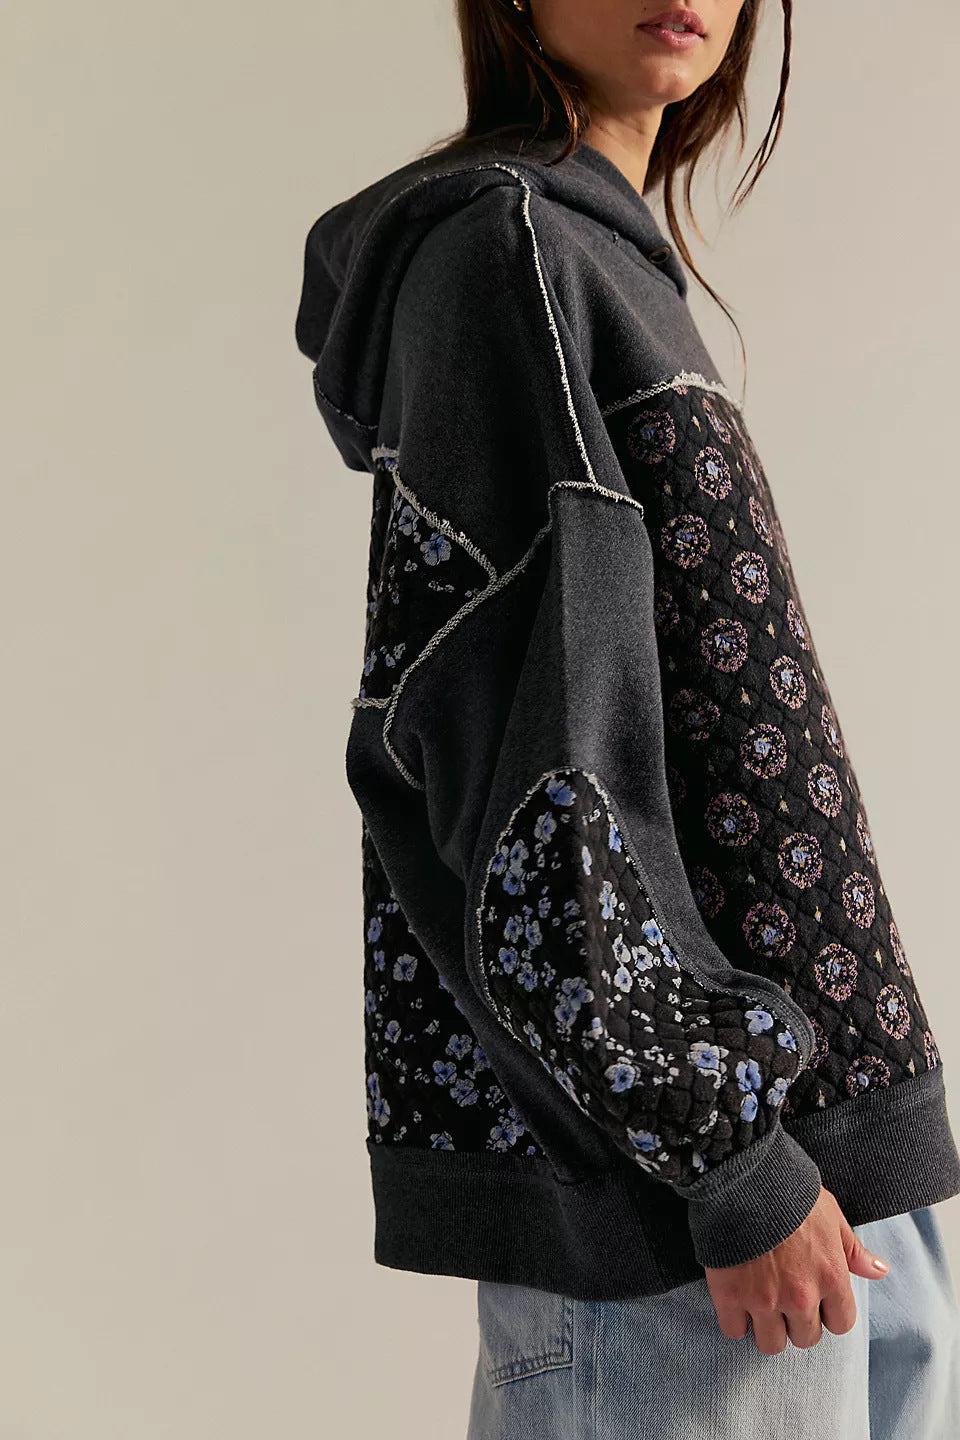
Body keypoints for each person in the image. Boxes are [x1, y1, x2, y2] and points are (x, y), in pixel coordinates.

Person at [294, 0, 960, 1433]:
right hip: (690, 1214)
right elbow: (524, 760)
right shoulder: (505, 249)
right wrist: (724, 1151)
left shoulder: (603, 259)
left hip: (831, 1159)